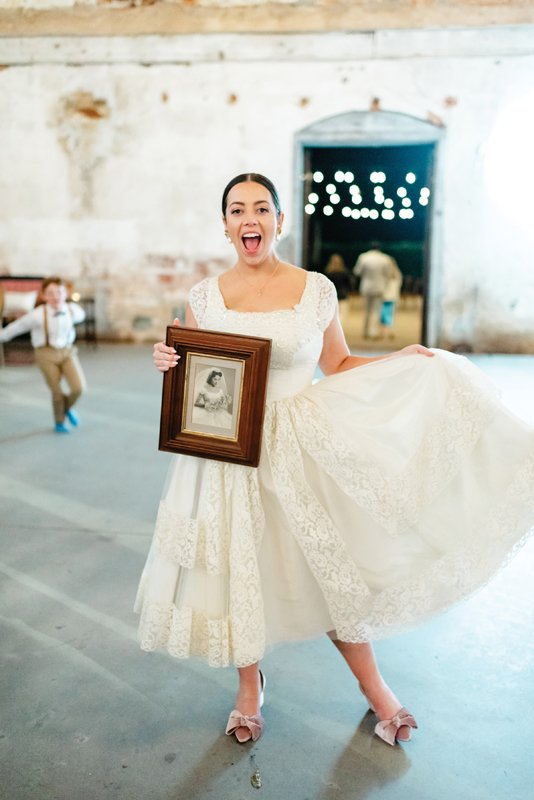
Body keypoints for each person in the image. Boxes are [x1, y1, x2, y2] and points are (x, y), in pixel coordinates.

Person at [135, 173, 534, 747]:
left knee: (328, 571)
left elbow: (337, 363)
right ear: (224, 225)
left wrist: (400, 359)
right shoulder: (204, 297)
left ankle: (378, 693)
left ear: (280, 221)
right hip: (228, 455)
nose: (250, 218)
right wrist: (170, 361)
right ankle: (249, 689)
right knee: (235, 569)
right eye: (237, 210)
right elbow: (201, 379)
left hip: (299, 448)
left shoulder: (315, 288)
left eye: (262, 208)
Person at [0, 276, 86, 433]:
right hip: (45, 353)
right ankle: (59, 422)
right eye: (50, 293)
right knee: (57, 391)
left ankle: (66, 409)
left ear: (65, 293)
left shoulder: (72, 310)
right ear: (44, 295)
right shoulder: (37, 314)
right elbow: (16, 328)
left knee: (78, 388)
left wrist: (69, 311)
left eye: (59, 292)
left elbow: (81, 315)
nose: (55, 297)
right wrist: (2, 335)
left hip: (67, 351)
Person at [353, 242, 398, 339]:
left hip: (366, 287)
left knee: (367, 310)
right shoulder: (384, 258)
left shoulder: (363, 257)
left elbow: (357, 271)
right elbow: (389, 274)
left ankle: (365, 331)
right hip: (379, 287)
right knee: (376, 310)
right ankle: (373, 331)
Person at [324, 253, 352, 329]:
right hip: (343, 296)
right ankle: (339, 330)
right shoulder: (344, 273)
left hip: (331, 297)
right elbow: (349, 285)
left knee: (332, 316)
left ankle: (335, 330)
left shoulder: (328, 273)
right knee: (342, 315)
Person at [379, 260, 403, 339]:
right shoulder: (398, 275)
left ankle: (383, 332)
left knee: (383, 314)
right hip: (392, 297)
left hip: (385, 296)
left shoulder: (384, 275)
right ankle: (388, 331)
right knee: (389, 314)